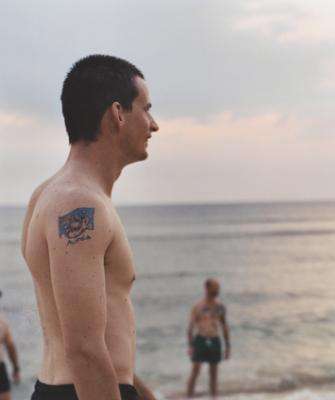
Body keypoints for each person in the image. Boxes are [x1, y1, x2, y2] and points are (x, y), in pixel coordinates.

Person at [21, 55, 159, 400]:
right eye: (146, 109)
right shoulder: (79, 205)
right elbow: (83, 349)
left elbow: (95, 335)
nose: (154, 124)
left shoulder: (48, 195)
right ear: (117, 114)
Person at [186, 279, 231, 398]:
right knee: (195, 372)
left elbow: (224, 326)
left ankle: (214, 397)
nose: (216, 292)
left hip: (215, 339)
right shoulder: (198, 307)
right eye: (214, 290)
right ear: (206, 289)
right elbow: (190, 328)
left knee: (214, 374)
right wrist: (190, 346)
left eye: (217, 290)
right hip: (201, 339)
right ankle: (188, 397)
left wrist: (228, 346)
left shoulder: (220, 306)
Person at [0, 291, 20, 400]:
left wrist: (16, 368)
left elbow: (11, 347)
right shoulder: (2, 323)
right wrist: (16, 369)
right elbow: (11, 347)